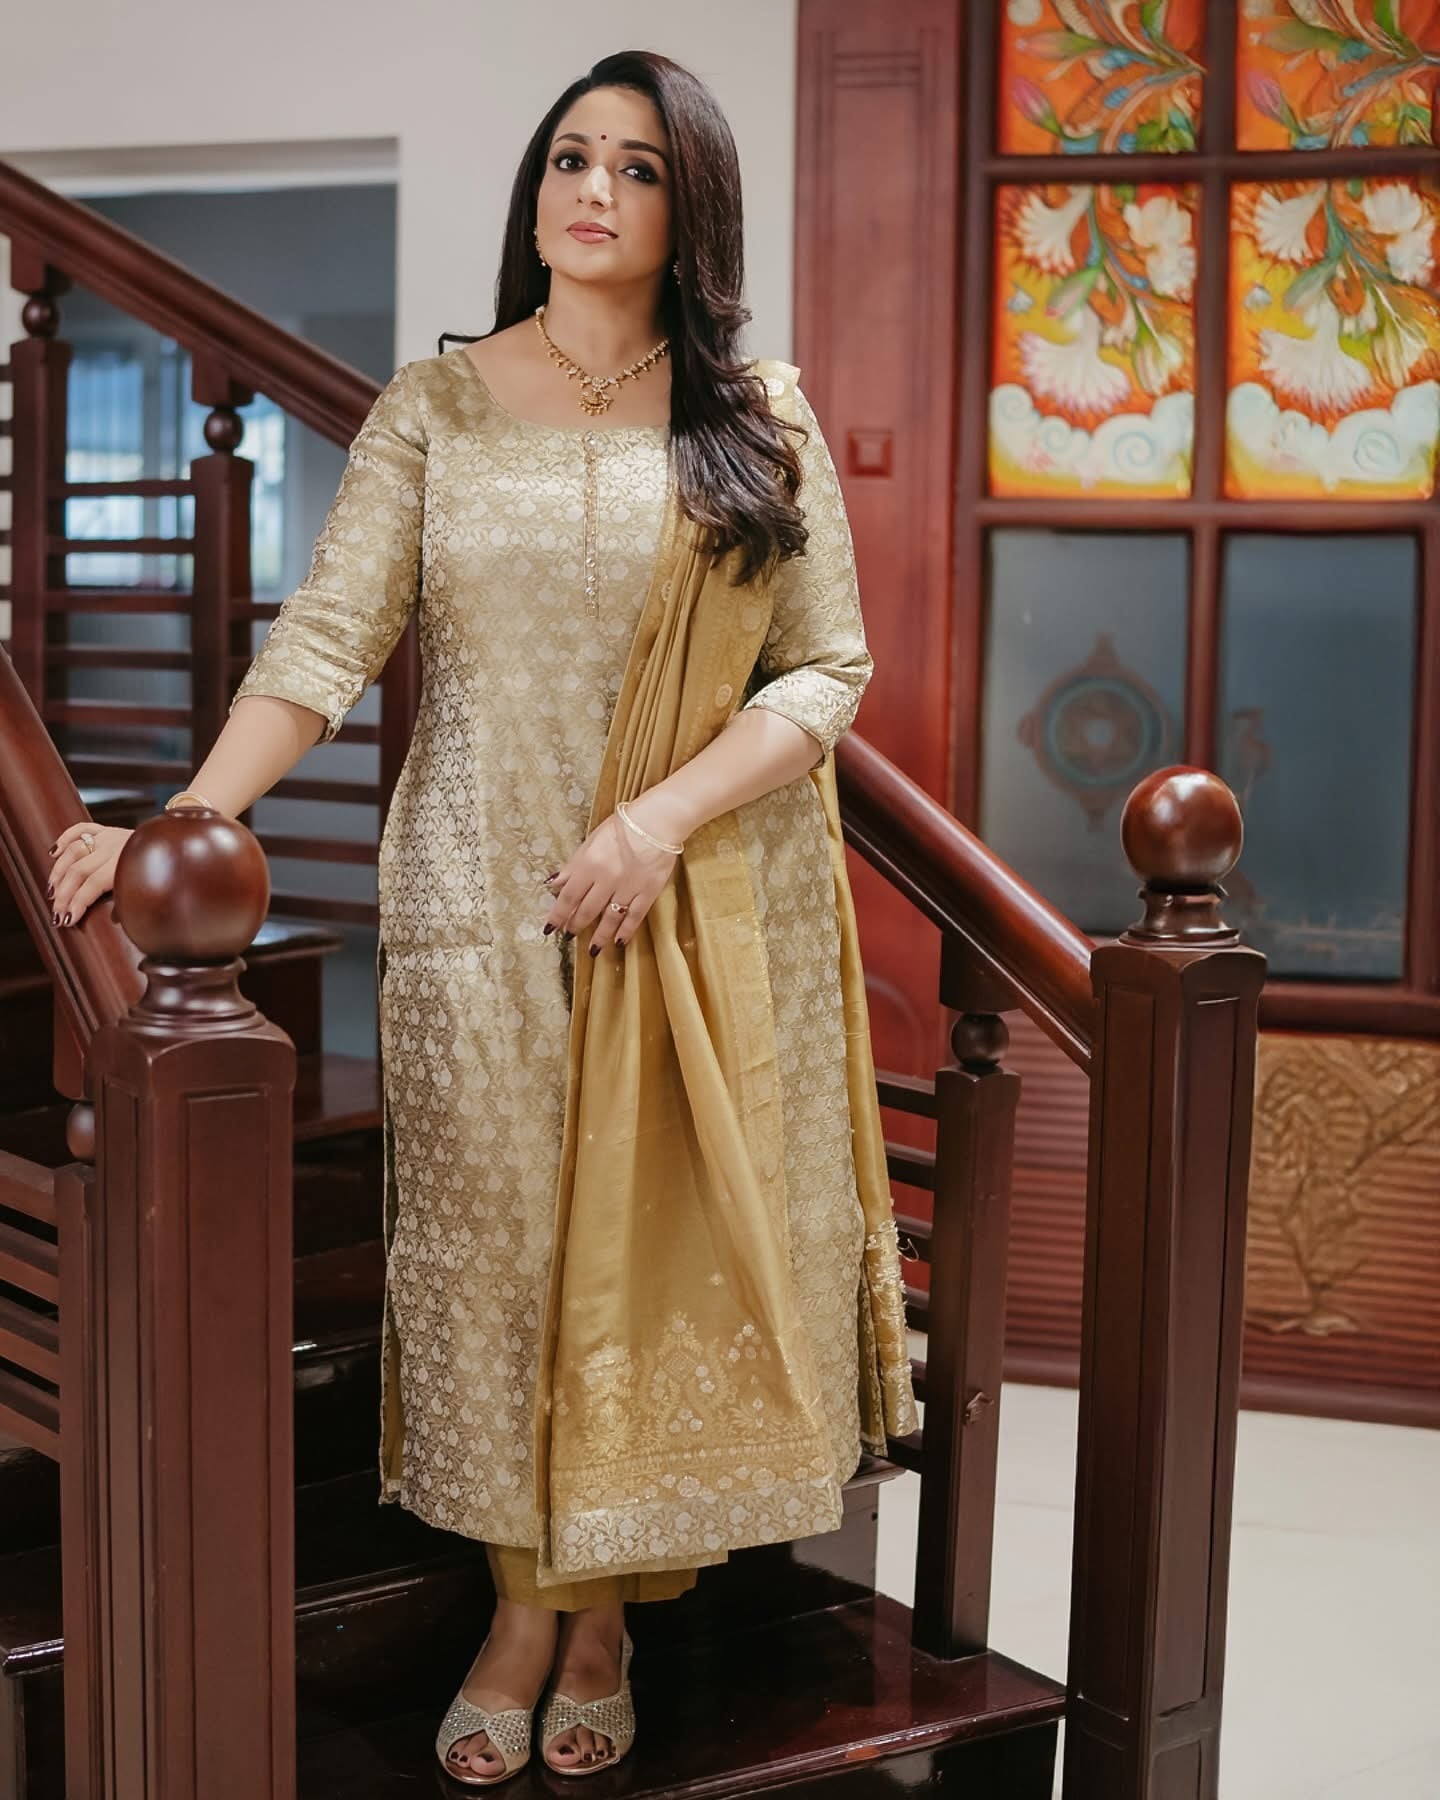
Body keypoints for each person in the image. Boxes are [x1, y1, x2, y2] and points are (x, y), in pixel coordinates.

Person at [47, 48, 918, 1789]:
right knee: (509, 1259)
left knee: (647, 1265)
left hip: (682, 900)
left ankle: (594, 1625)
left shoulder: (753, 414)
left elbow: (827, 668)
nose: (593, 189)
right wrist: (191, 816)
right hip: (476, 902)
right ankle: (524, 1607)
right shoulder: (434, 406)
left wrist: (657, 824)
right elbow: (326, 641)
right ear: (535, 192)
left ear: (690, 208)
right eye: (570, 158)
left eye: (638, 168)